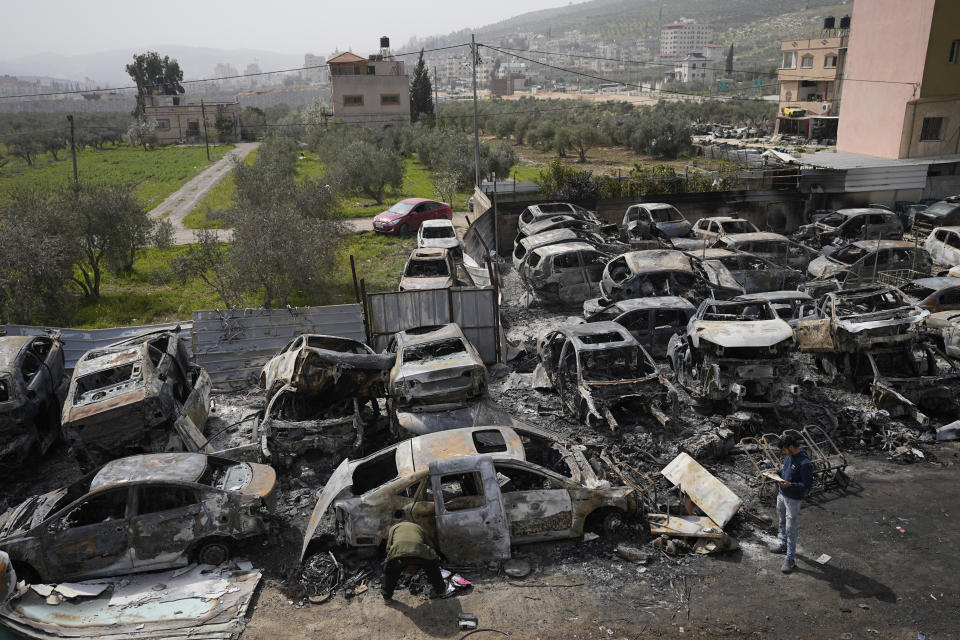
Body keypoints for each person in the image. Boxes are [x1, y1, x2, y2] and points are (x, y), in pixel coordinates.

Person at [770, 433, 814, 573]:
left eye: (784, 449)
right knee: (782, 521)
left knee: (791, 528)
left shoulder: (804, 463)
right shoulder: (789, 457)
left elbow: (807, 484)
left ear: (790, 447)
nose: (783, 453)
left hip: (793, 499)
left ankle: (790, 558)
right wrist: (776, 472)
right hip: (782, 495)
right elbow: (785, 471)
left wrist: (791, 485)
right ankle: (783, 544)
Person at [381, 521, 453, 601]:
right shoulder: (419, 527)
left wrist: (391, 561)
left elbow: (388, 547)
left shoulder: (394, 528)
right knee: (433, 569)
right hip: (419, 551)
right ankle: (441, 591)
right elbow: (430, 544)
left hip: (398, 552)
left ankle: (387, 597)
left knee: (389, 572)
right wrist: (433, 556)